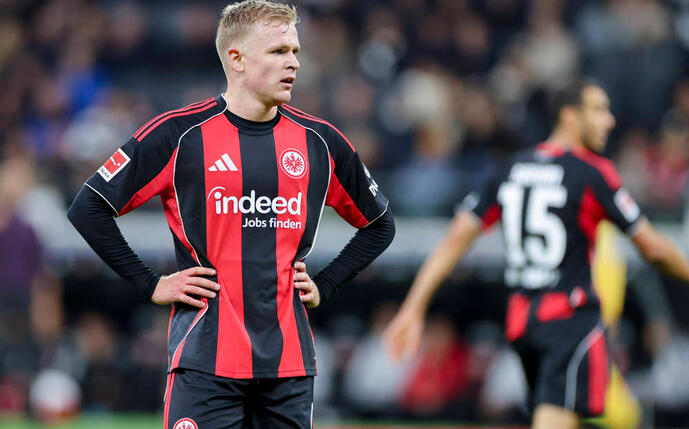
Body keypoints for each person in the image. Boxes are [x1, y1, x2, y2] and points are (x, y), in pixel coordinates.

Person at [67, 1, 394, 428]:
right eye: (278, 51)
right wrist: (151, 283)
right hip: (204, 363)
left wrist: (326, 283)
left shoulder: (321, 142)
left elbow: (380, 225)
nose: (293, 63)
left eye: (295, 51)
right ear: (237, 59)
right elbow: (88, 206)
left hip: (289, 369)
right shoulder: (179, 134)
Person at [384, 80, 689, 429]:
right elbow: (653, 248)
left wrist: (413, 307)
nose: (609, 121)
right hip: (570, 321)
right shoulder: (592, 172)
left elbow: (454, 240)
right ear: (570, 116)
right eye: (598, 110)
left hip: (524, 324)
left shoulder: (510, 169)